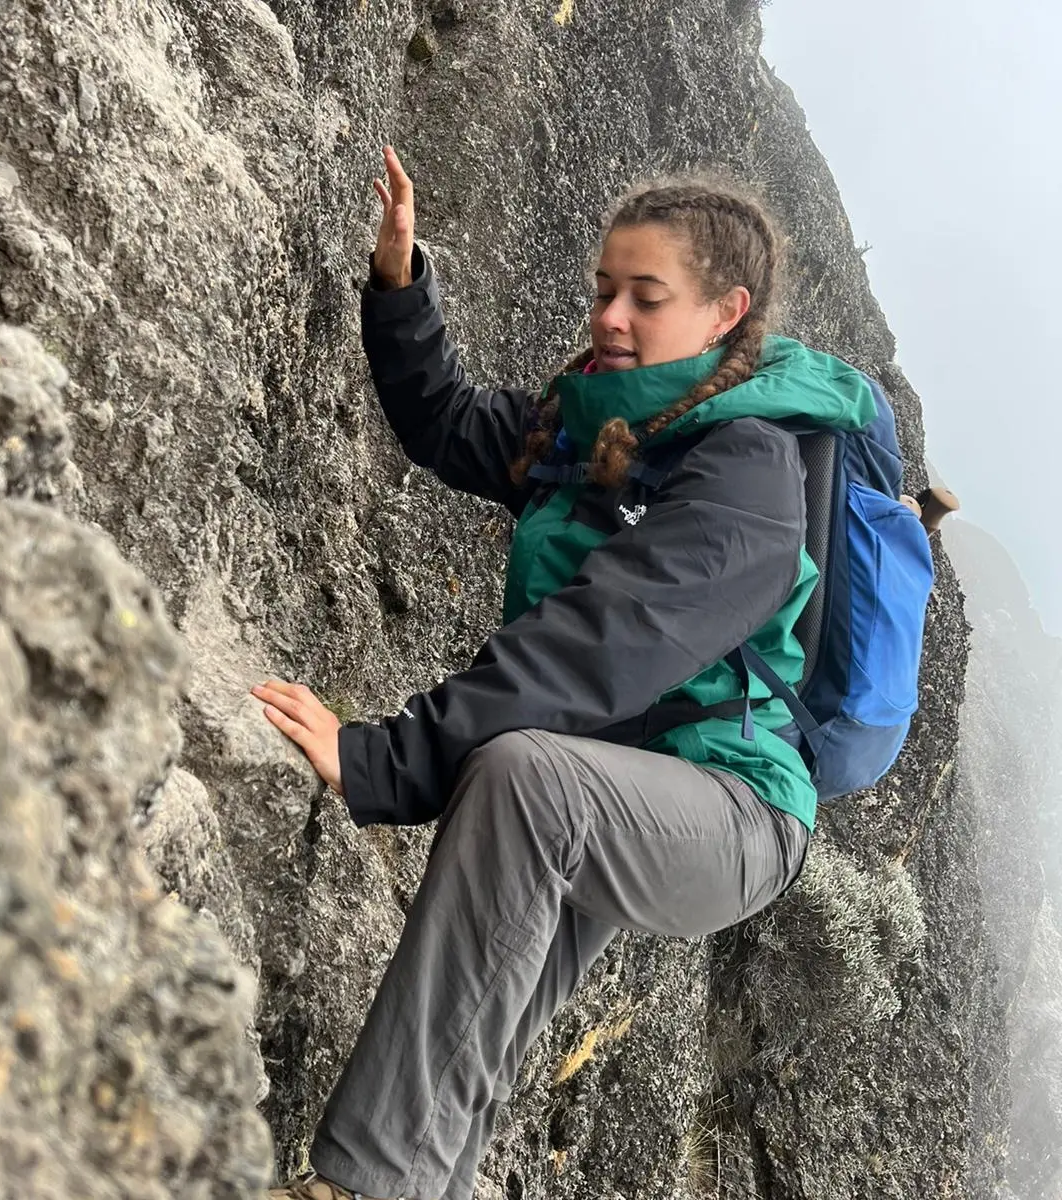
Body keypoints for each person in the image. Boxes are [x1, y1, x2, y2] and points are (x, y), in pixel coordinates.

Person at [253, 144, 879, 1200]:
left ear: (725, 312)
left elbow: (599, 643)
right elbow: (450, 422)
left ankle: (360, 1186)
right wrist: (403, 289)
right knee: (468, 1039)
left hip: (734, 811)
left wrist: (385, 762)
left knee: (524, 780)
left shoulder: (750, 473)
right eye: (602, 289)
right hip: (610, 781)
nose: (610, 317)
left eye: (646, 296)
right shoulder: (596, 423)